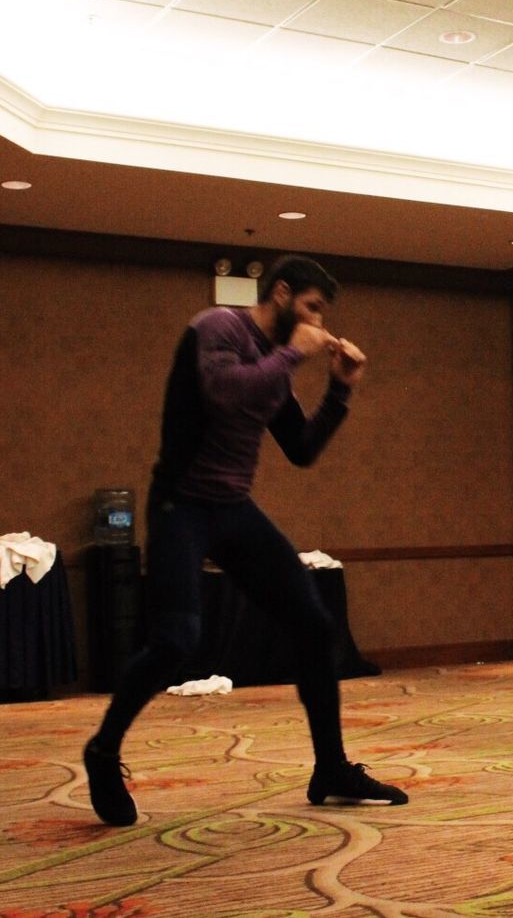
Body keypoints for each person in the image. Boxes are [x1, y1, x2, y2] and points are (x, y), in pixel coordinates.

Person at [83, 254, 408, 827]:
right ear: (280, 294)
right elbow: (227, 393)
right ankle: (103, 751)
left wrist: (338, 392)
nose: (317, 322)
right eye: (311, 307)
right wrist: (293, 355)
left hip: (232, 510)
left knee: (314, 625)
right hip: (181, 503)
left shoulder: (274, 363)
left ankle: (329, 769)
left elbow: (301, 449)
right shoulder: (217, 328)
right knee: (176, 640)